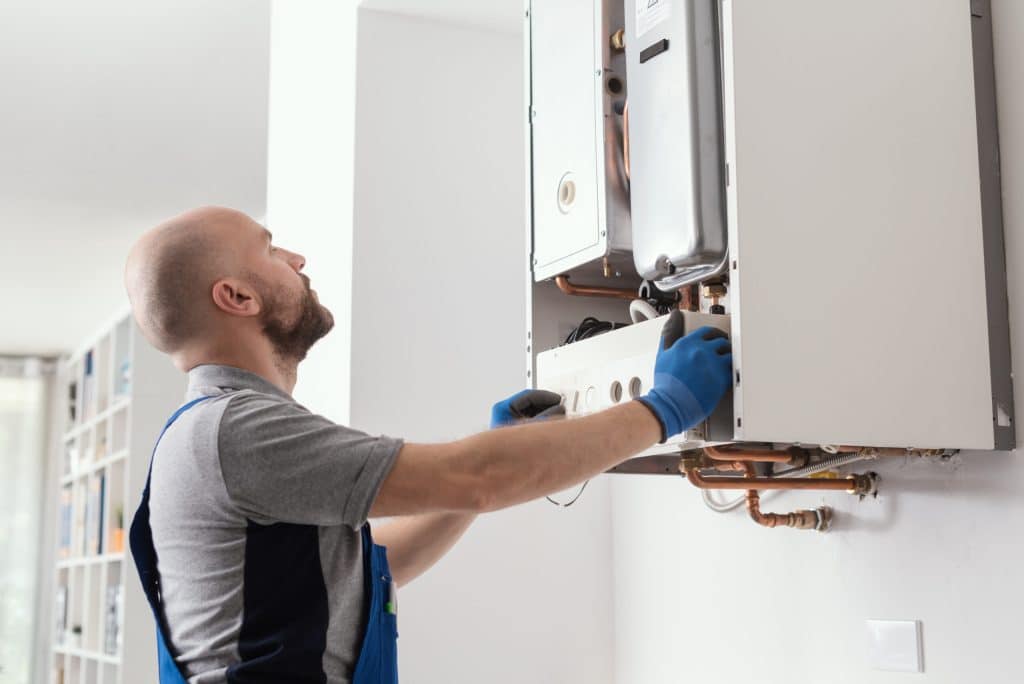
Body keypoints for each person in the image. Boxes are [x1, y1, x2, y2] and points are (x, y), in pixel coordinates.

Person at [123, 206, 733, 684]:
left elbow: (369, 572)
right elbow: (476, 478)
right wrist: (663, 408)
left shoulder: (213, 432)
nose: (297, 258)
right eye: (270, 249)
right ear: (237, 297)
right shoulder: (234, 432)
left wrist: (497, 454)